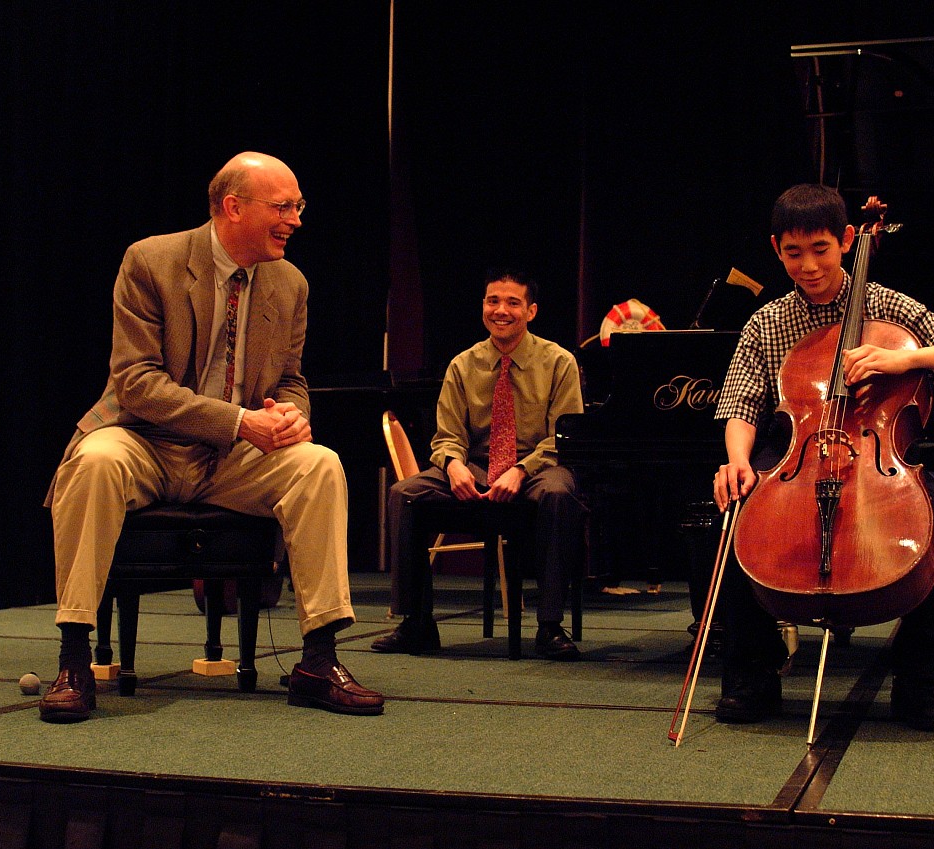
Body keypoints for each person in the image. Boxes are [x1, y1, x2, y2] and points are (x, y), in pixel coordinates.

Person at [40, 152, 384, 722]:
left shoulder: (290, 283)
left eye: (298, 206)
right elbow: (135, 384)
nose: (296, 219)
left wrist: (294, 416)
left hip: (230, 456)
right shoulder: (152, 261)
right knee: (94, 460)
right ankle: (74, 658)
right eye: (283, 206)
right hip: (145, 439)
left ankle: (319, 660)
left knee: (319, 463)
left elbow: (291, 378)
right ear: (233, 208)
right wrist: (239, 422)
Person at [711, 183, 934, 731]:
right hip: (796, 445)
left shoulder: (886, 304)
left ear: (845, 240)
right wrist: (738, 459)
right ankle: (754, 674)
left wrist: (898, 359)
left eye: (820, 249)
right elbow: (741, 402)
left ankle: (918, 678)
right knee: (734, 508)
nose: (809, 265)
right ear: (776, 249)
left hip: (874, 449)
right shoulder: (766, 321)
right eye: (794, 253)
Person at [373, 269, 588, 660]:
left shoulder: (559, 362)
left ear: (532, 311)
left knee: (559, 493)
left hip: (540, 466)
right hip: (476, 464)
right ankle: (416, 622)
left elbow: (563, 437)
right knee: (405, 493)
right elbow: (447, 436)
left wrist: (520, 470)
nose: (500, 310)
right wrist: (453, 464)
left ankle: (549, 625)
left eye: (512, 303)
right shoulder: (463, 364)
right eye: (493, 301)